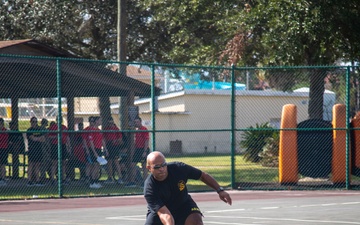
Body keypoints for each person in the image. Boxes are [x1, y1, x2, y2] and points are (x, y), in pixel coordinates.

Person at [144, 151, 232, 225]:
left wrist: (220, 190)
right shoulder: (150, 188)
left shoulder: (179, 168)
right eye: (157, 167)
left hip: (183, 204)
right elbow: (164, 214)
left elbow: (202, 176)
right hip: (161, 211)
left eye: (163, 165)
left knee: (196, 221)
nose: (162, 169)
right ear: (149, 168)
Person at [82, 116, 109, 188]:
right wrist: (94, 152)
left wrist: (105, 149)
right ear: (96, 121)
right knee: (94, 165)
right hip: (94, 150)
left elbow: (102, 140)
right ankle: (92, 182)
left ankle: (96, 181)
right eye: (99, 120)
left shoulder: (99, 130)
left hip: (99, 149)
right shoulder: (91, 130)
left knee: (97, 166)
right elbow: (91, 142)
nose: (101, 122)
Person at [127, 116, 149, 187]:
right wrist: (133, 151)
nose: (136, 123)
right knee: (132, 165)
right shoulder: (136, 130)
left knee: (144, 166)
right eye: (135, 122)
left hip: (143, 149)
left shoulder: (144, 129)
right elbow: (134, 142)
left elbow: (146, 140)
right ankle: (132, 182)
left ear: (140, 122)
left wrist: (145, 151)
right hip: (137, 149)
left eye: (137, 122)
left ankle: (145, 181)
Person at [48, 118, 71, 185]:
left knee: (63, 162)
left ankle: (62, 179)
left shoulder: (64, 127)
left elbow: (67, 137)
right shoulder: (53, 127)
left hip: (63, 145)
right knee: (54, 163)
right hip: (55, 145)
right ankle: (53, 179)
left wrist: (69, 146)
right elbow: (49, 136)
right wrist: (56, 137)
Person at [103, 117, 124, 184]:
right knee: (109, 162)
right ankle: (110, 177)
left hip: (115, 146)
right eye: (109, 123)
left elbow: (120, 139)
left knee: (116, 161)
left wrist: (115, 141)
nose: (110, 124)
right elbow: (104, 139)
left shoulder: (116, 129)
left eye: (111, 123)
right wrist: (105, 147)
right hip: (108, 146)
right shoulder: (106, 129)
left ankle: (120, 177)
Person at [26, 117, 45, 187]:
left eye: (36, 122)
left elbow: (43, 139)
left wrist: (37, 138)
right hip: (32, 149)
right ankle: (29, 181)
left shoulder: (39, 129)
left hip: (38, 150)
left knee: (37, 165)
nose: (34, 123)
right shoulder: (29, 130)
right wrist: (38, 138)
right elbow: (32, 138)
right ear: (30, 122)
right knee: (31, 164)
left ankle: (37, 180)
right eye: (33, 122)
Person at [39, 118, 51, 183]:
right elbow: (46, 139)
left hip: (41, 148)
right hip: (44, 148)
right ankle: (43, 177)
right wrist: (48, 148)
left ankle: (44, 176)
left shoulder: (40, 128)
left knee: (45, 163)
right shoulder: (44, 129)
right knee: (44, 163)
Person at [0, 118, 9, 186]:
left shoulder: (5, 131)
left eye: (1, 124)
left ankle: (3, 178)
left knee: (3, 164)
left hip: (3, 149)